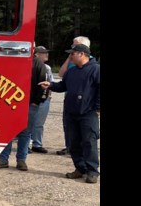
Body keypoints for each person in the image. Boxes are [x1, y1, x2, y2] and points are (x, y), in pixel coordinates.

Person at [41, 42, 100, 184]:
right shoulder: (71, 71)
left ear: (82, 54)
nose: (70, 57)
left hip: (88, 113)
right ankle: (80, 168)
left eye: (72, 54)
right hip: (71, 113)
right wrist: (51, 85)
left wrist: (98, 108)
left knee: (89, 142)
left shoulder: (96, 69)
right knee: (73, 143)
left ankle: (92, 171)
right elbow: (62, 86)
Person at [0, 46, 49, 171]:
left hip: (30, 104)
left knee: (26, 133)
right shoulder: (11, 61)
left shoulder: (39, 64)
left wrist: (37, 101)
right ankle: (3, 159)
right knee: (8, 132)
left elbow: (44, 85)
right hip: (10, 103)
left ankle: (21, 160)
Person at [55, 36, 91, 156]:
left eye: (74, 46)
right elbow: (61, 74)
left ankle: (85, 159)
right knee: (68, 126)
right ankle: (69, 146)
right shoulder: (72, 61)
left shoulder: (91, 65)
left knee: (85, 132)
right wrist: (70, 56)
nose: (71, 47)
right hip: (70, 99)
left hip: (85, 105)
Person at [29, 46, 53, 153]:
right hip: (34, 98)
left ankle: (37, 144)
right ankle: (28, 145)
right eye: (43, 52)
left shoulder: (47, 67)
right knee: (30, 122)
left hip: (45, 99)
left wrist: (49, 95)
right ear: (37, 54)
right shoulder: (32, 65)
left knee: (39, 123)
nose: (46, 54)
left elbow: (50, 83)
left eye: (46, 52)